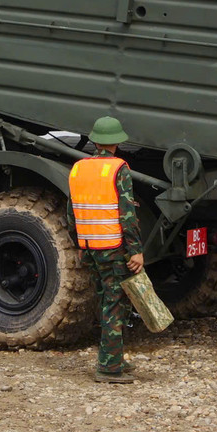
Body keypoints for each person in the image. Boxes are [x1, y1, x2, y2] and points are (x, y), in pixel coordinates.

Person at [67, 116, 144, 384]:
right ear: (117, 143)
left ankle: (113, 356)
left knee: (105, 301)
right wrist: (135, 249)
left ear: (95, 141)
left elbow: (72, 212)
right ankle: (109, 368)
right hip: (113, 248)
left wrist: (79, 243)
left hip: (90, 248)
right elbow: (127, 213)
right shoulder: (118, 168)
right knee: (116, 304)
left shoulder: (78, 168)